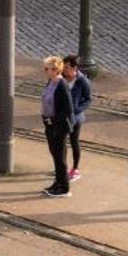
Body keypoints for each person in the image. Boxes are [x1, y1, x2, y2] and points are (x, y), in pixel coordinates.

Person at [40, 55, 74, 196]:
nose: (45, 71)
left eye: (47, 69)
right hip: (50, 124)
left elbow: (68, 109)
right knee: (56, 156)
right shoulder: (51, 81)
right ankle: (58, 182)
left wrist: (53, 121)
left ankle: (64, 187)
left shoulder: (61, 85)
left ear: (55, 70)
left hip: (59, 127)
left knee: (60, 158)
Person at [62, 54, 91, 182]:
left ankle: (75, 169)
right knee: (61, 142)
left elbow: (88, 100)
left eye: (67, 67)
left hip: (75, 118)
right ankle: (62, 167)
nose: (64, 69)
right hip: (61, 116)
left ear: (75, 68)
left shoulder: (82, 81)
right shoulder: (60, 78)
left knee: (74, 141)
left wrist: (76, 110)